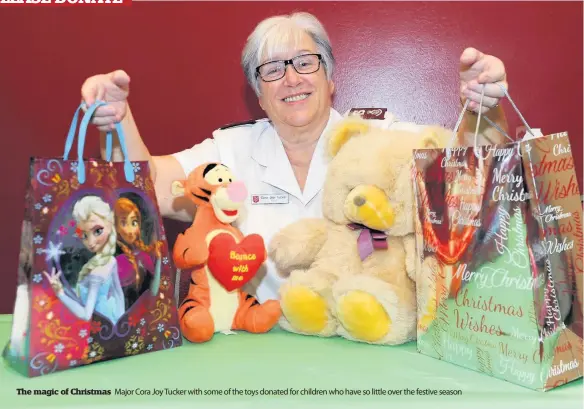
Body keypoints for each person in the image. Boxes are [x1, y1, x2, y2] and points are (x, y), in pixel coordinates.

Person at [80, 12, 510, 303]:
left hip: (368, 349)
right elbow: (146, 188)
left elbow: (471, 176)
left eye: (306, 62)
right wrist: (118, 122)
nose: (291, 79)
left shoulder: (379, 138)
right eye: (272, 69)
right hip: (260, 349)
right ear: (260, 96)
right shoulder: (230, 149)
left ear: (330, 77)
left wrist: (485, 108)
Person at [44, 196, 126, 324]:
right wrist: (121, 324)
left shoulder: (96, 274)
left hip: (100, 327)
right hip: (111, 321)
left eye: (98, 231)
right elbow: (118, 293)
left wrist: (60, 293)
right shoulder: (109, 261)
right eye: (84, 235)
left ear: (110, 225)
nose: (91, 242)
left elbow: (86, 315)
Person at [113, 197, 163, 309]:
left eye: (134, 222)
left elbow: (153, 292)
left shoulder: (143, 256)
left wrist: (159, 259)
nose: (131, 231)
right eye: (124, 223)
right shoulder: (116, 261)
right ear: (116, 228)